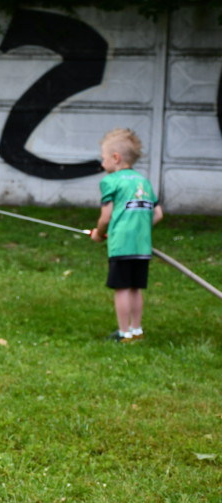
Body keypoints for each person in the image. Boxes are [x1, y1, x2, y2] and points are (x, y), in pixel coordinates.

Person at [89, 128, 163, 342]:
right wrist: (139, 229)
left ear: (115, 158)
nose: (102, 164)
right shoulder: (143, 181)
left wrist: (98, 234)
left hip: (121, 244)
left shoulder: (110, 182)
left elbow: (106, 217)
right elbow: (158, 214)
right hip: (141, 245)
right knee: (135, 288)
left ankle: (123, 333)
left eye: (104, 159)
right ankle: (137, 330)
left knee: (121, 288)